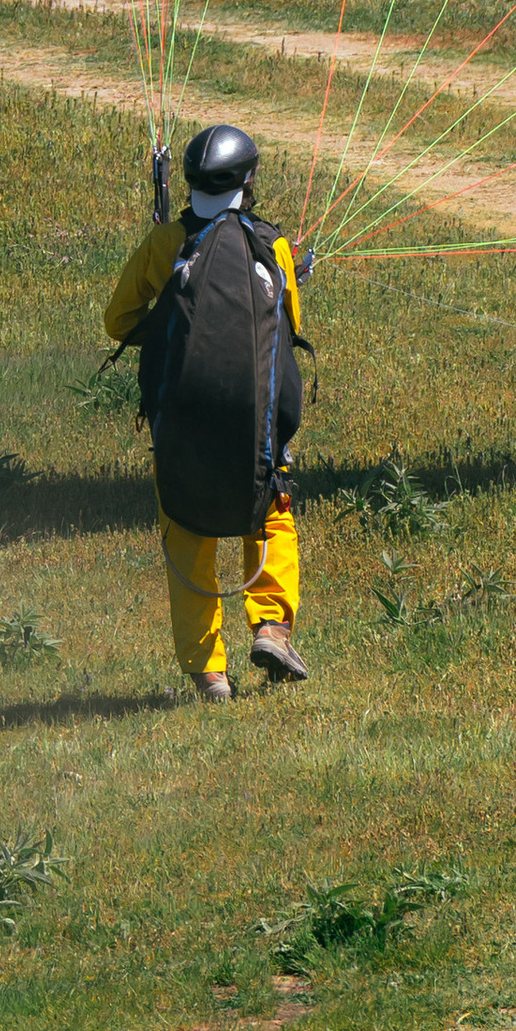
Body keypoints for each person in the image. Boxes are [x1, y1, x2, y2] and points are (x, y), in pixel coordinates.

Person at [102, 123, 311, 702]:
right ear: (249, 180)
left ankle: (209, 673)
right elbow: (285, 330)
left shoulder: (165, 244)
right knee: (269, 513)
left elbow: (117, 321)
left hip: (183, 428)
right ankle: (271, 626)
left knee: (188, 535)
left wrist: (170, 330)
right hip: (256, 431)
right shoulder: (274, 247)